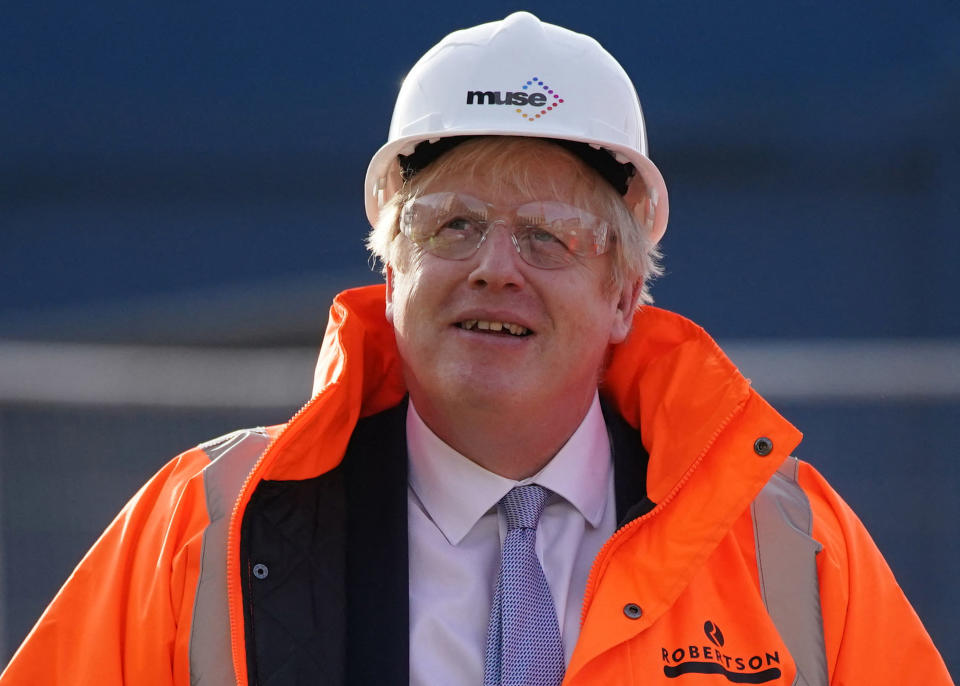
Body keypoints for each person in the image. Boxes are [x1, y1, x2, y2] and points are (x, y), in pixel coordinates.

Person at [1, 11, 952, 686]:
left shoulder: (792, 546)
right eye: (451, 225)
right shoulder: (203, 529)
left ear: (625, 292)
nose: (497, 268)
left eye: (548, 235)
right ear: (390, 270)